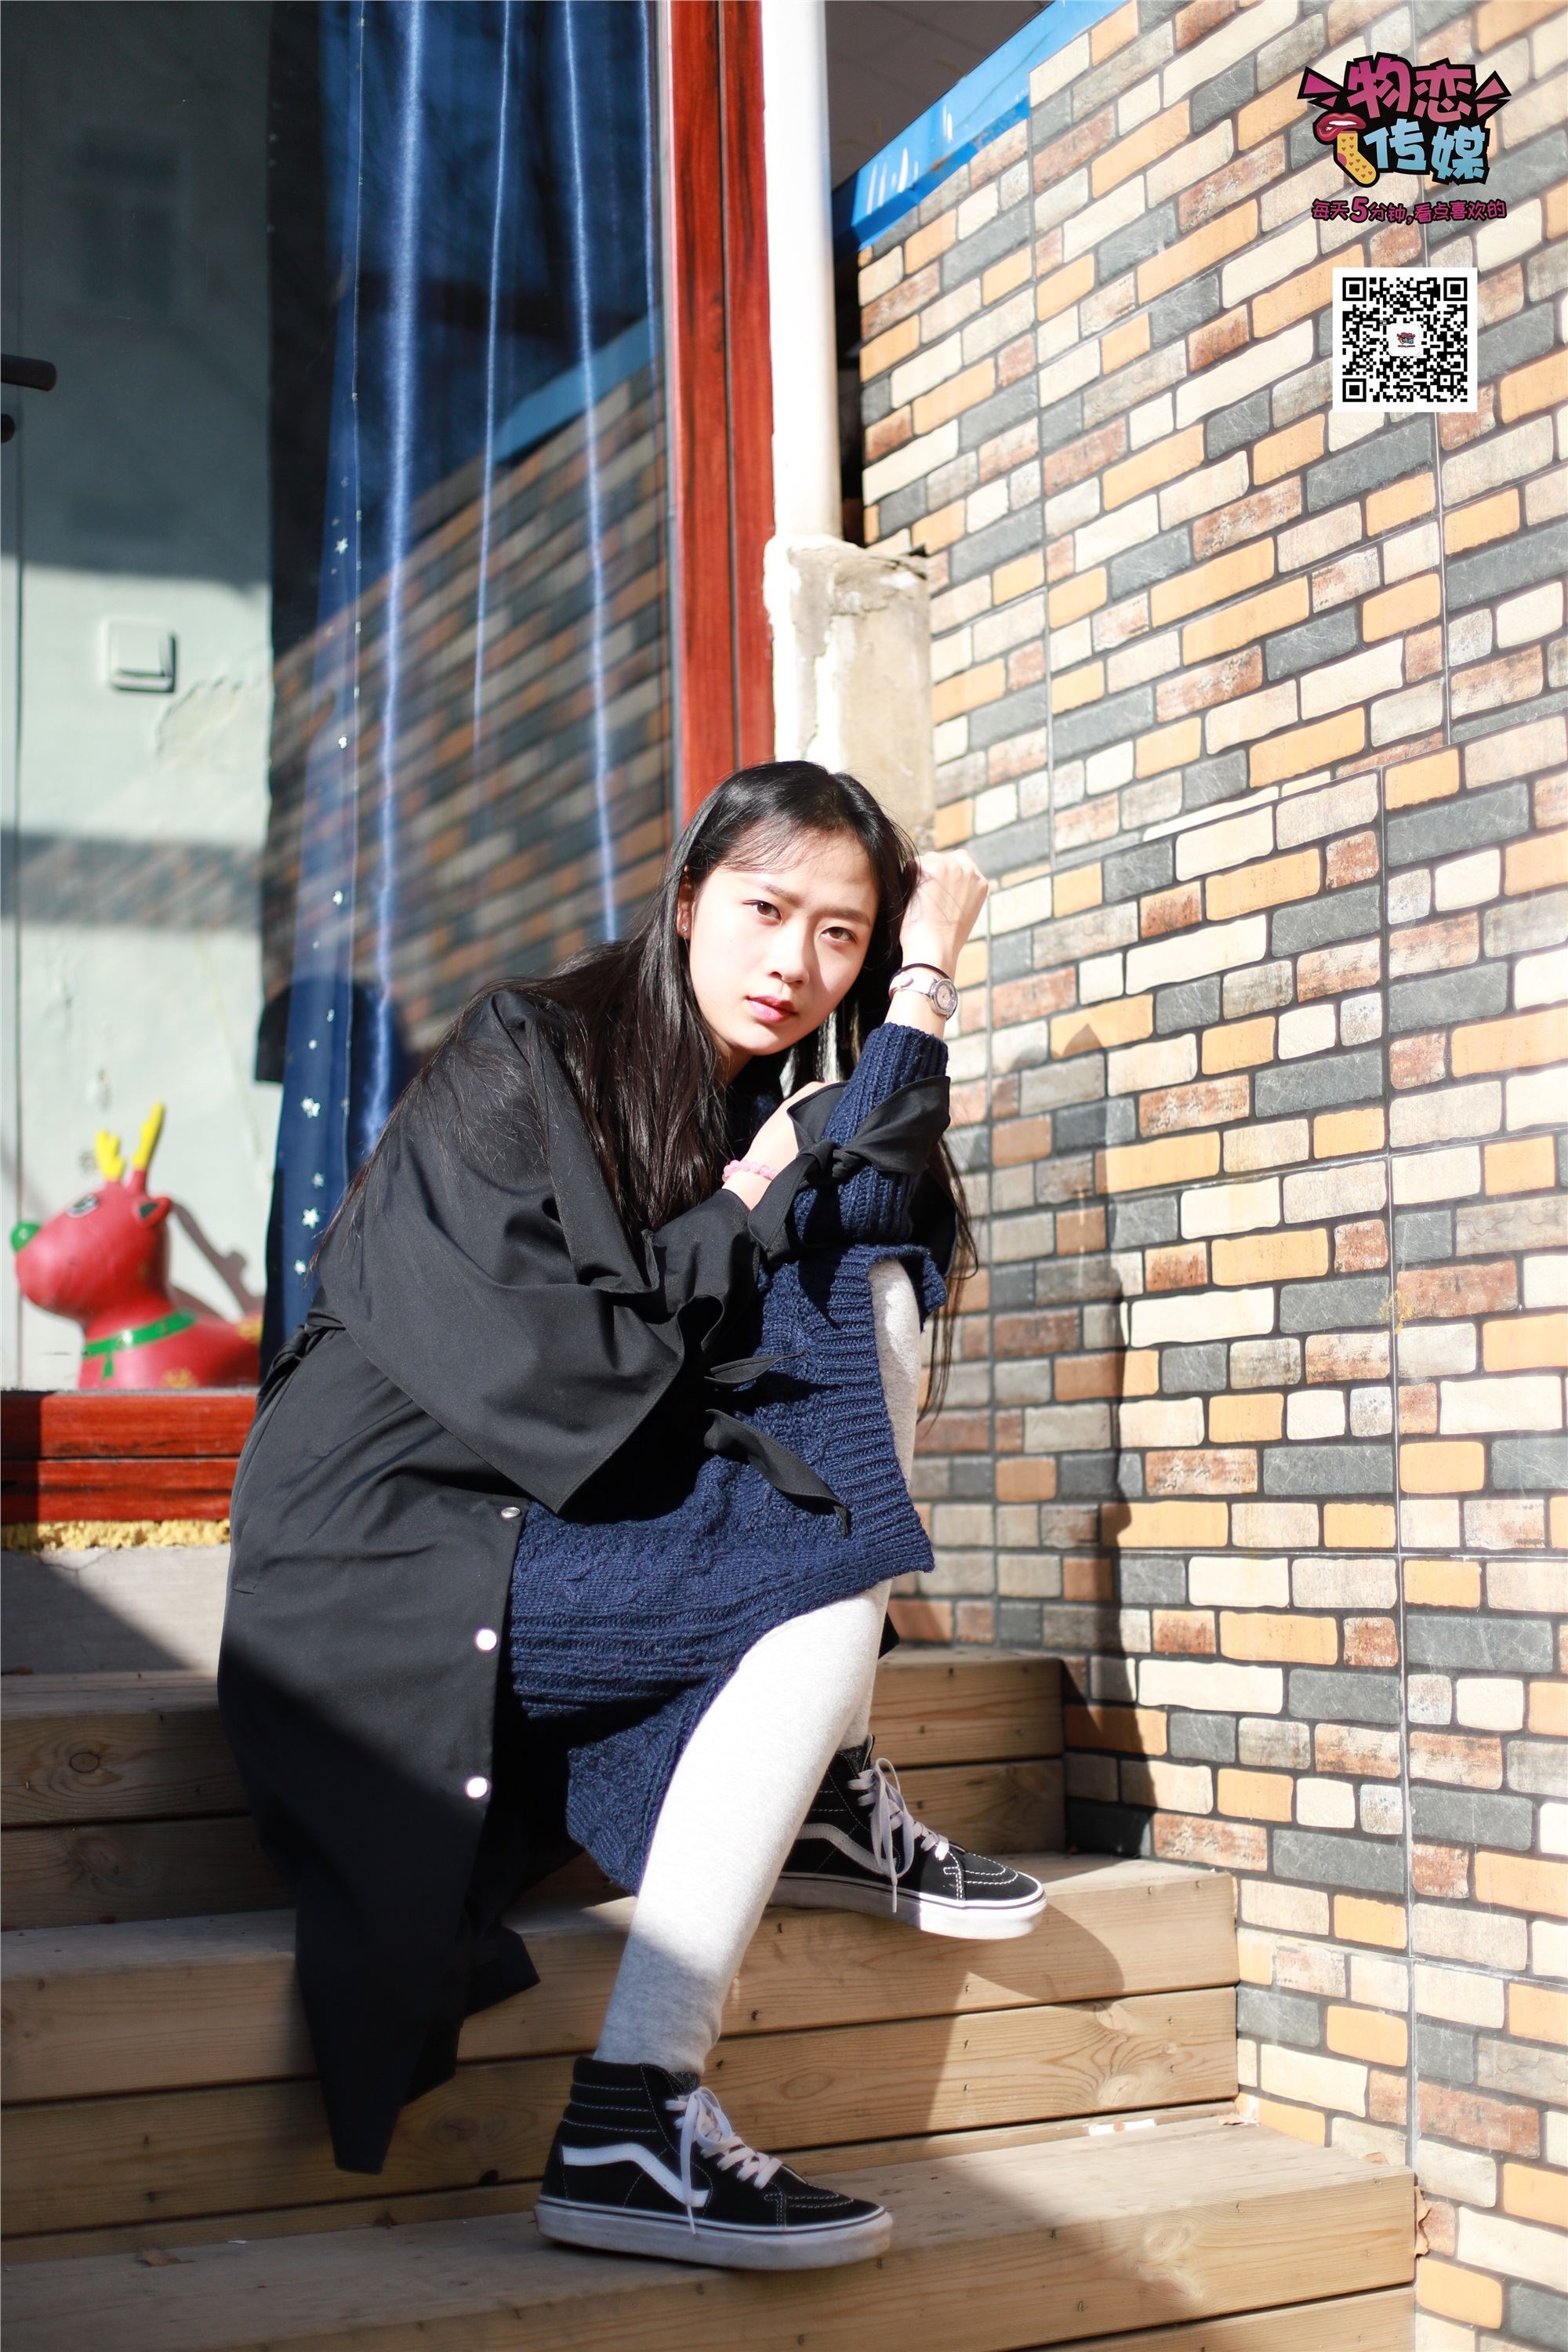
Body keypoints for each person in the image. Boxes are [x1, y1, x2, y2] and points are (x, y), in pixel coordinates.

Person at [218, 760, 1044, 2278]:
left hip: (558, 1530)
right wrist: (756, 1194)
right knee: (821, 1560)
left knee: (866, 1271)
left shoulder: (758, 1097)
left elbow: (881, 1203)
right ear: (683, 906)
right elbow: (559, 1382)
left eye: (842, 937)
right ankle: (635, 2111)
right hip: (396, 1558)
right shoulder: (527, 1049)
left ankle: (821, 1794)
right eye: (765, 910)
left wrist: (926, 982)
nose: (796, 963)